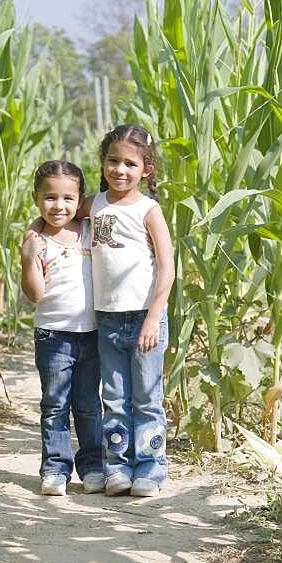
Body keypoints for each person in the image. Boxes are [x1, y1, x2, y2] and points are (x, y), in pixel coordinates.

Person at [85, 125, 175, 498]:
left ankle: (151, 470)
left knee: (146, 399)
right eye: (113, 161)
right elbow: (58, 212)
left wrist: (154, 316)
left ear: (146, 169)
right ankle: (117, 466)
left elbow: (168, 267)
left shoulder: (148, 209)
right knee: (115, 398)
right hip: (107, 318)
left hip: (144, 320)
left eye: (130, 163)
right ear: (103, 163)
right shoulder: (94, 204)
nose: (120, 170)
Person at [21, 160, 105, 497]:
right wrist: (28, 257)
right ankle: (55, 469)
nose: (60, 206)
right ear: (36, 198)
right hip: (54, 335)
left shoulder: (88, 229)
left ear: (80, 199)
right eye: (50, 198)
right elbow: (35, 293)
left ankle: (94, 466)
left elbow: (108, 200)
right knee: (55, 404)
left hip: (92, 333)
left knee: (88, 405)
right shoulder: (36, 240)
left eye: (69, 198)